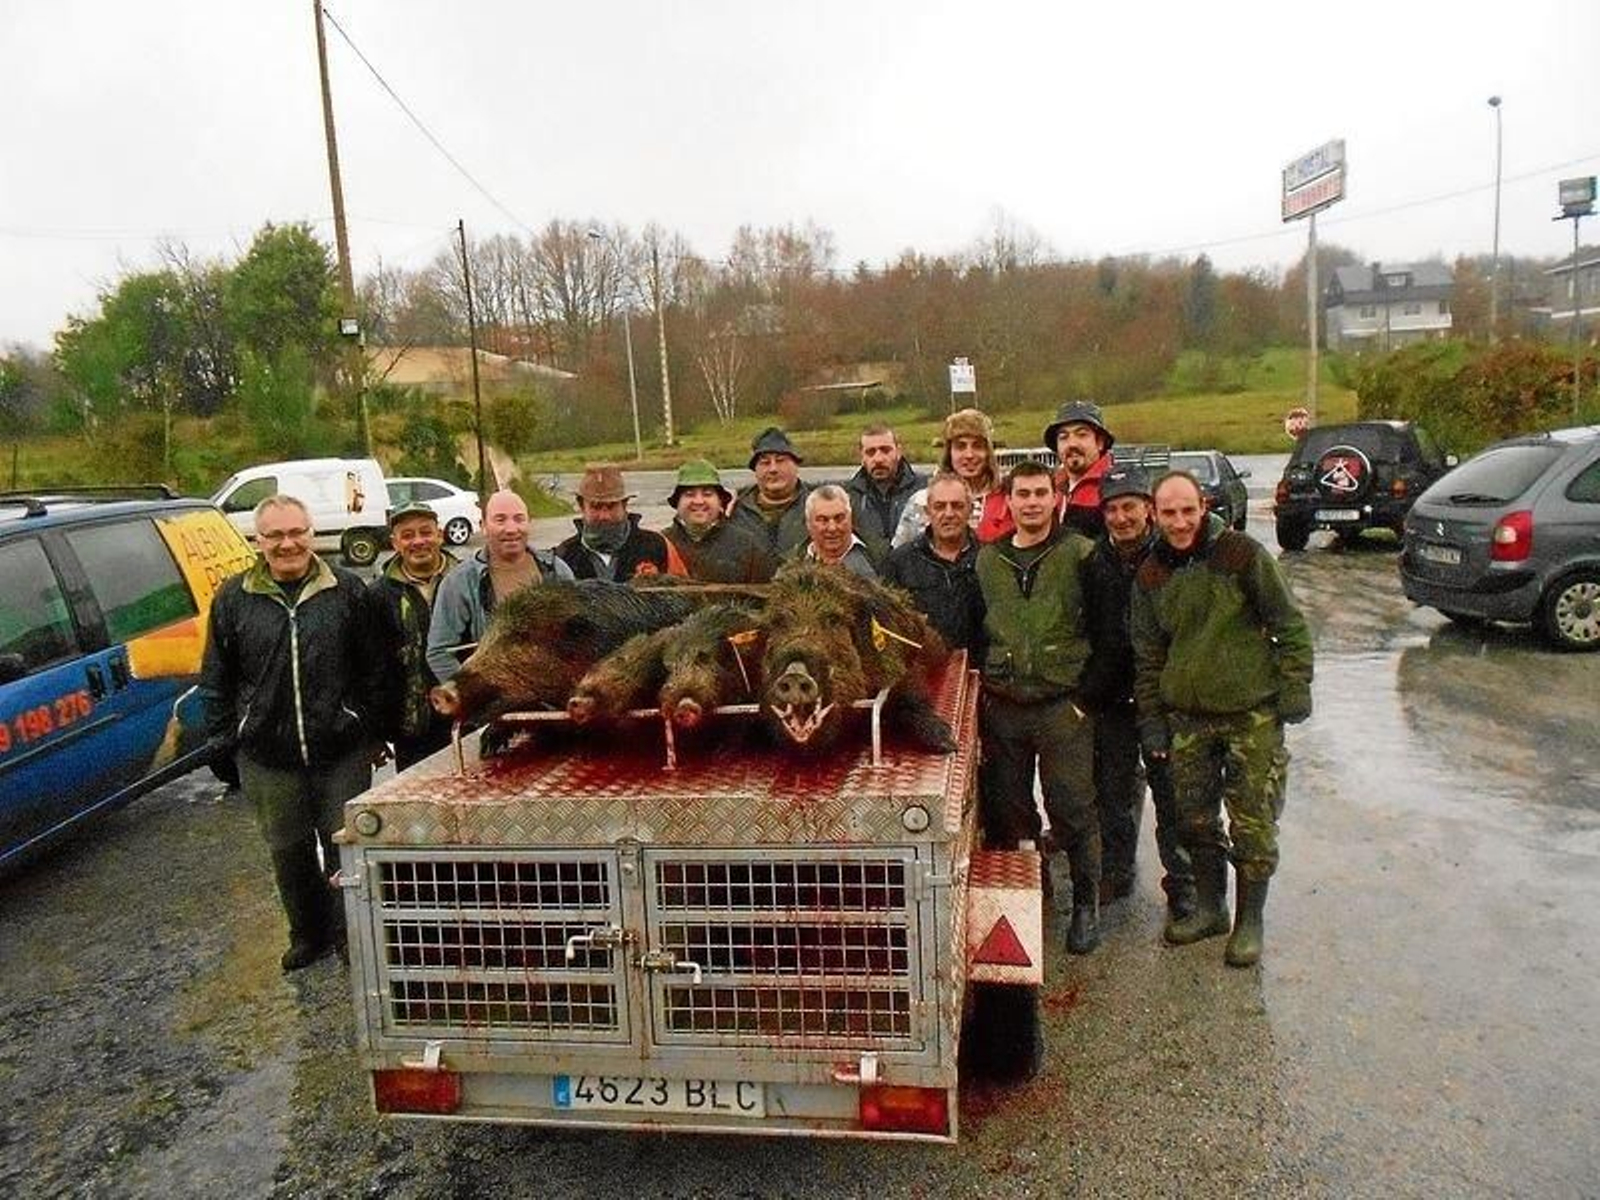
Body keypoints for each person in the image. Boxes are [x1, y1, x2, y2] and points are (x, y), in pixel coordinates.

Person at [1130, 471, 1314, 968]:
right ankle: (1211, 908)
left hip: (1250, 715)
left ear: (1203, 505)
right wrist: (1152, 721)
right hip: (1187, 720)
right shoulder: (1150, 574)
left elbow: (1289, 623)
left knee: (1253, 824)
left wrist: (1296, 684)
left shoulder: (1242, 554)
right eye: (1168, 513)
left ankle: (1249, 921)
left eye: (1187, 510)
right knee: (1194, 822)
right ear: (1154, 513)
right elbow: (1147, 657)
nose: (1179, 521)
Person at [198, 495, 384, 972]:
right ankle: (309, 936)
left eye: (296, 532)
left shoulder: (347, 591)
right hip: (267, 754)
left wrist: (363, 721)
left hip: (339, 749)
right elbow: (216, 677)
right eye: (275, 535)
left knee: (345, 850)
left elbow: (375, 668)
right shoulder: (233, 598)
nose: (288, 544)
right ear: (257, 541)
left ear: (311, 533)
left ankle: (351, 940)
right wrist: (223, 741)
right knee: (289, 850)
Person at [975, 461, 1101, 954]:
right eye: (1021, 494)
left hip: (1061, 706)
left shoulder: (1081, 554)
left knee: (1071, 806)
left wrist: (1084, 700)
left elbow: (1107, 629)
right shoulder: (989, 560)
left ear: (1056, 499)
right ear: (1007, 503)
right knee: (1012, 810)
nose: (1030, 503)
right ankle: (1035, 888)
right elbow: (975, 626)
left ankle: (1085, 903)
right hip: (1005, 705)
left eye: (1039, 494)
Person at [1079, 468, 1194, 926]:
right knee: (1113, 793)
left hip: (1163, 696)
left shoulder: (1173, 558)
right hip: (1110, 698)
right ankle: (1118, 869)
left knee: (1172, 795)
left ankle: (1183, 886)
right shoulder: (1093, 563)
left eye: (1129, 506)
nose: (1122, 517)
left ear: (1148, 508)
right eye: (1112, 509)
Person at [426, 489, 573, 686]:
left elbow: (578, 638)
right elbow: (438, 653)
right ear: (483, 526)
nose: (511, 529)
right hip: (491, 708)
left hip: (553, 701)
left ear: (529, 523)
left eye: (519, 519)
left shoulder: (557, 571)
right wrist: (472, 692)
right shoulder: (460, 581)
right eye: (500, 520)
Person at [371, 500, 460, 770]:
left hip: (466, 721)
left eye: (425, 532)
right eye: (407, 535)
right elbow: (371, 668)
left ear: (440, 535)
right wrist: (375, 733)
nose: (418, 541)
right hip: (412, 731)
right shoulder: (378, 595)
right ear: (395, 542)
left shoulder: (468, 581)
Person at [881, 472, 985, 654]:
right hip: (924, 672)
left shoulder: (988, 559)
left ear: (970, 509)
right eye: (940, 506)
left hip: (981, 672)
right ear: (928, 511)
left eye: (957, 506)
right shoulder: (899, 563)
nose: (949, 513)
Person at [892, 407, 1013, 548]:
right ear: (949, 453)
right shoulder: (921, 502)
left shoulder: (1008, 500)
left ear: (989, 452)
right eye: (960, 447)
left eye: (977, 446)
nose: (969, 455)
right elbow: (898, 560)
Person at [555, 463, 686, 581]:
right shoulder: (563, 556)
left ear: (624, 505)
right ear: (581, 506)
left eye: (611, 506)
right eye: (596, 507)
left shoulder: (657, 546)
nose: (604, 516)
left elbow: (684, 596)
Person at [661, 459, 777, 583]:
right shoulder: (659, 544)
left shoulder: (749, 545)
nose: (699, 501)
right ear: (677, 503)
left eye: (707, 494)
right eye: (689, 494)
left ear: (720, 501)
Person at [728, 426, 814, 557]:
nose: (773, 469)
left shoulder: (818, 508)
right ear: (755, 470)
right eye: (765, 462)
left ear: (796, 465)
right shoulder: (732, 510)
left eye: (780, 461)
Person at [1043, 399, 1117, 539]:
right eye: (1063, 437)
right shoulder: (1048, 487)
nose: (1072, 444)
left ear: (1100, 442)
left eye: (1082, 435)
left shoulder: (1116, 486)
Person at [843, 422, 924, 544]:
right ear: (862, 457)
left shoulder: (923, 491)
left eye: (885, 450)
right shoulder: (848, 498)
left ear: (898, 452)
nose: (878, 459)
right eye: (870, 452)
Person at [796, 484, 882, 579]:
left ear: (851, 519)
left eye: (839, 518)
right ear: (808, 524)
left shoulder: (880, 557)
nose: (832, 528)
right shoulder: (790, 563)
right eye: (823, 520)